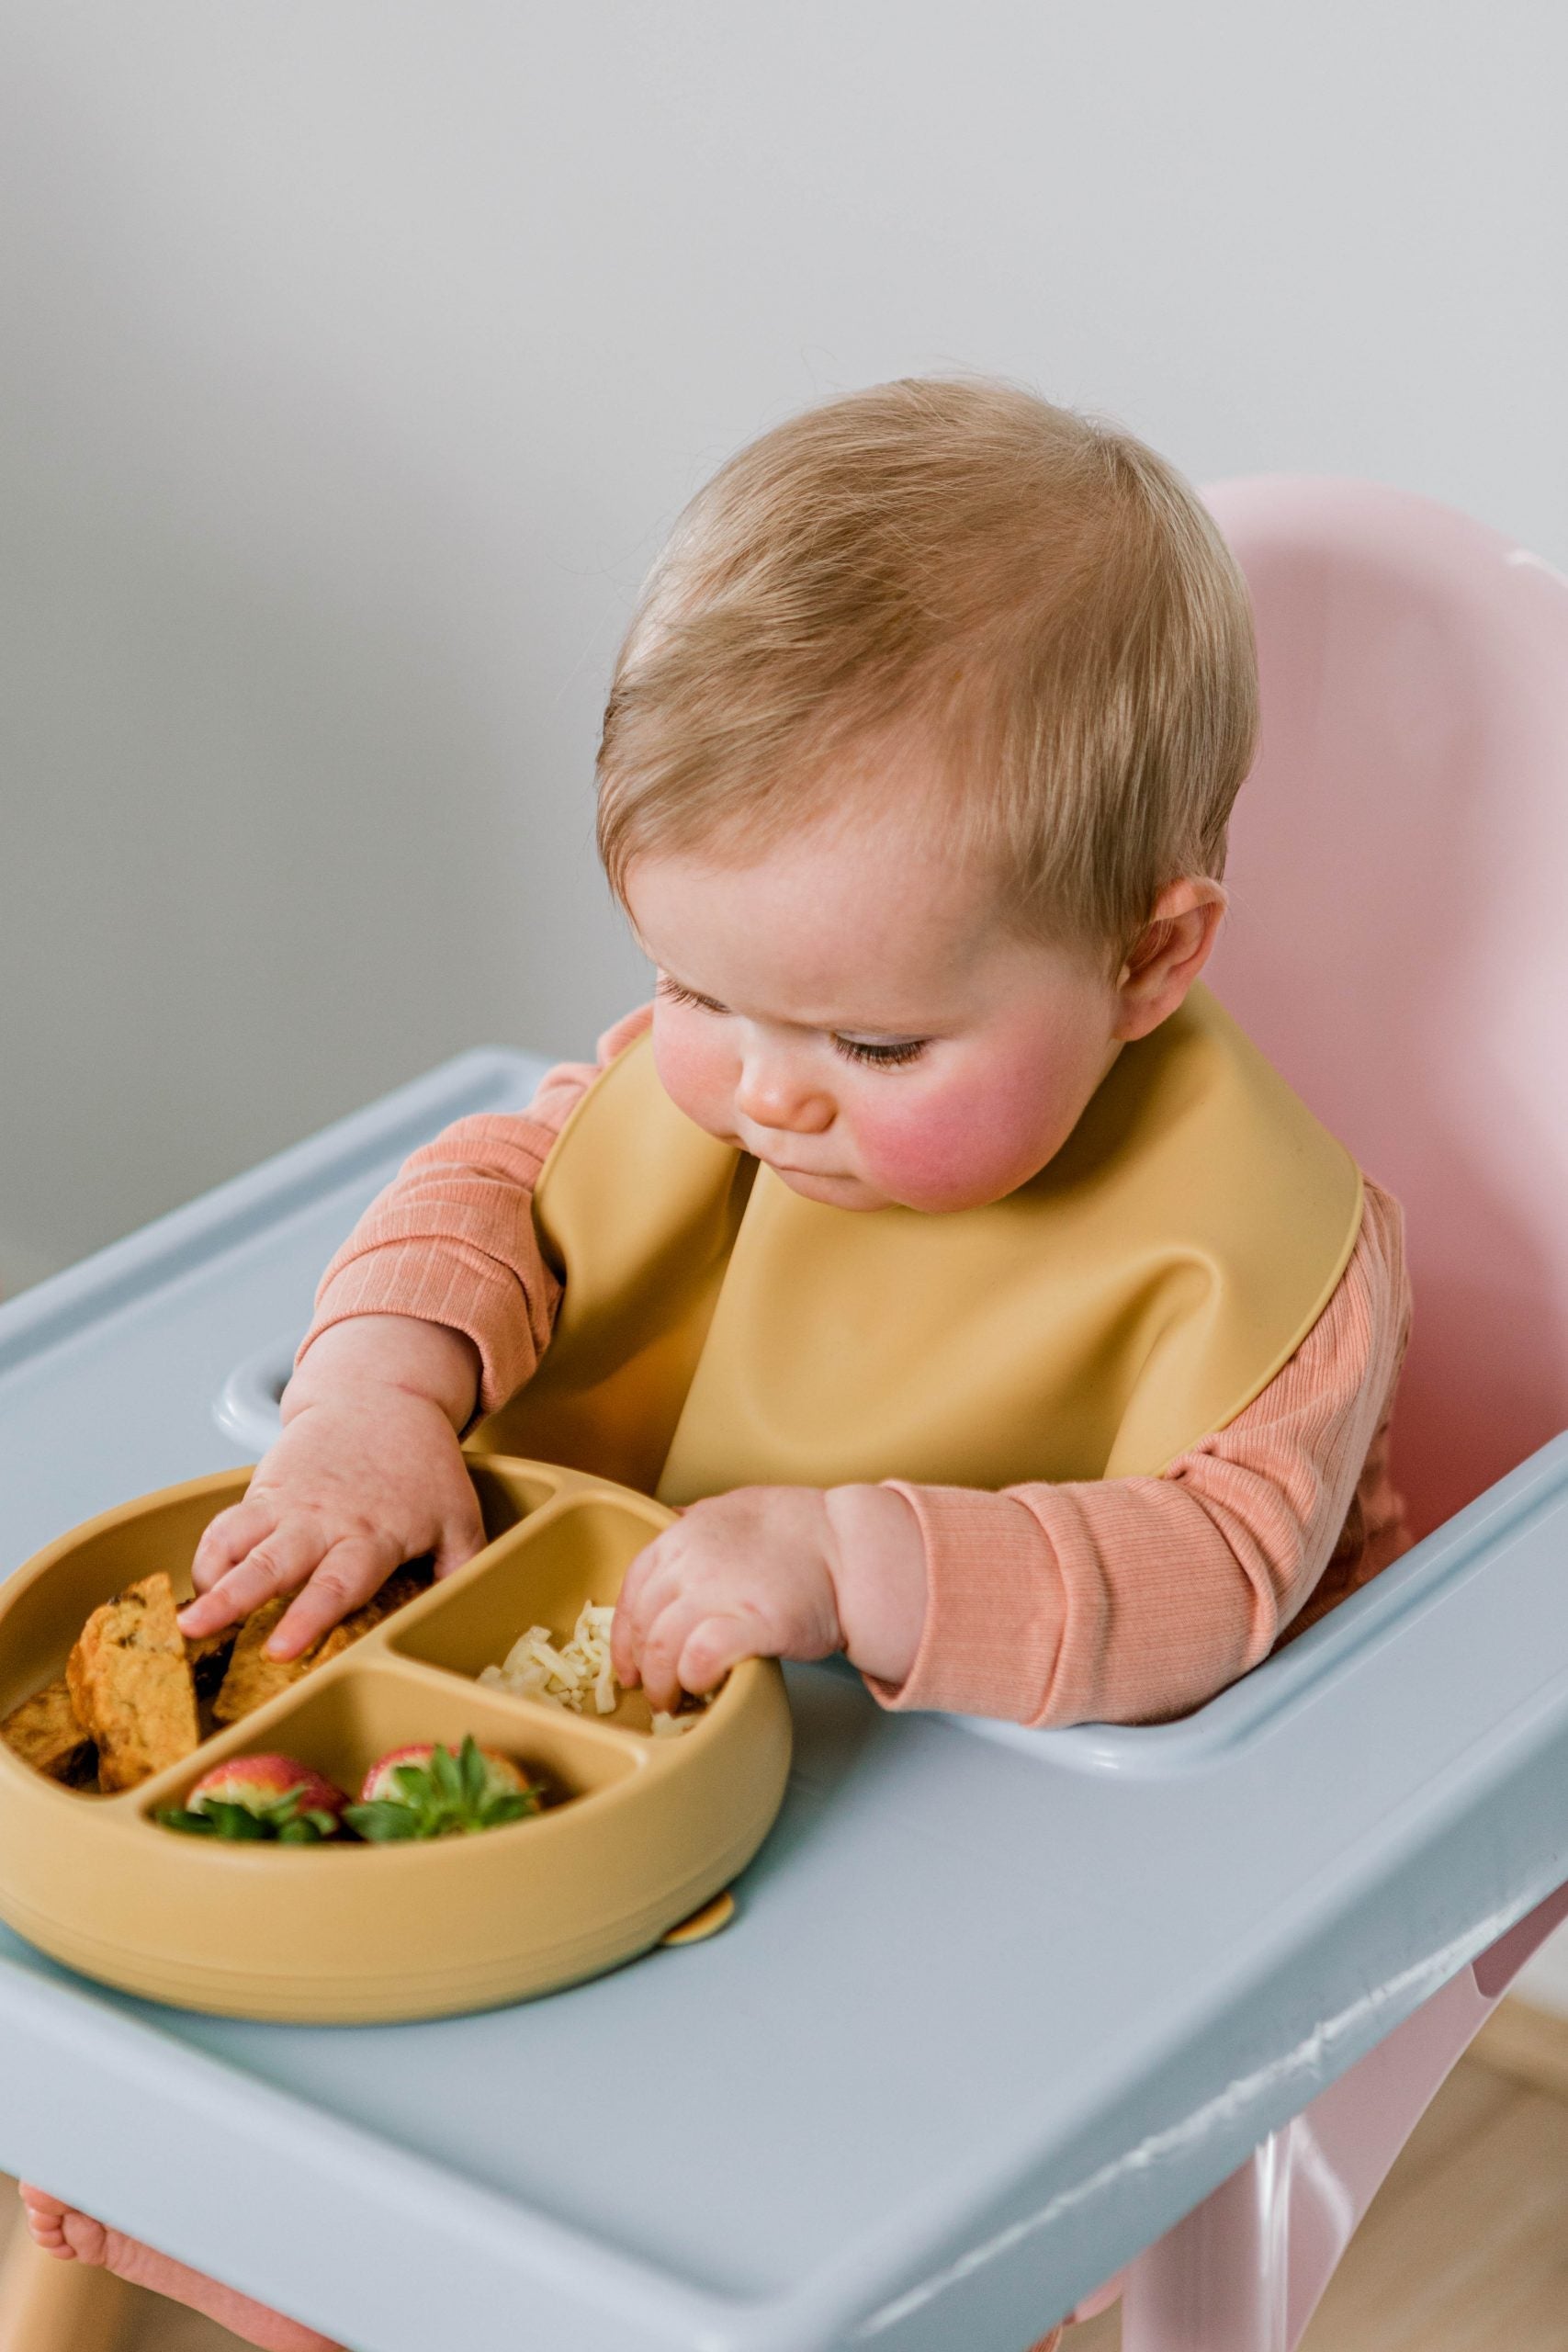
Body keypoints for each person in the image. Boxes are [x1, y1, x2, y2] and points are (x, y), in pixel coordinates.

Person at [23, 379, 1410, 2351]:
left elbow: (1220, 1572)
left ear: (1144, 959)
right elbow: (501, 1178)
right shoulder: (736, 1073)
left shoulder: (1268, 1244)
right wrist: (372, 1397)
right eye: (692, 987)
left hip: (962, 1891)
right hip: (609, 1759)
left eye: (873, 1046)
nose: (762, 1089)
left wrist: (860, 1564)